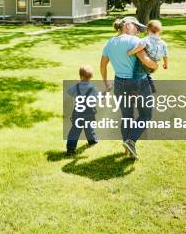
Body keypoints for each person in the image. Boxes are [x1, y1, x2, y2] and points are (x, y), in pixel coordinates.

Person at [100, 17, 158, 159]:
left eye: (139, 29)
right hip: (138, 83)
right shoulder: (135, 42)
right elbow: (146, 61)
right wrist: (155, 65)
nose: (138, 31)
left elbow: (103, 65)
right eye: (136, 27)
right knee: (146, 114)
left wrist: (106, 82)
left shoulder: (110, 43)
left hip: (119, 83)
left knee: (127, 117)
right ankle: (131, 141)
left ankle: (128, 150)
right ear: (127, 26)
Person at [128, 19, 169, 93]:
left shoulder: (145, 40)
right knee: (147, 74)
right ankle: (152, 87)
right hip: (153, 63)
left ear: (147, 30)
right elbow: (165, 55)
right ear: (160, 32)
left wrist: (131, 52)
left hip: (144, 63)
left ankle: (134, 92)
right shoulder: (163, 43)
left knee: (137, 74)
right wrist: (165, 64)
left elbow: (140, 47)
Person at [66, 65, 99, 155]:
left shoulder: (76, 87)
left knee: (75, 130)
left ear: (80, 76)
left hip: (78, 112)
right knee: (89, 128)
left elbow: (69, 92)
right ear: (91, 77)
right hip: (89, 113)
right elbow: (100, 97)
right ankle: (92, 141)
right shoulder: (92, 89)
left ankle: (70, 148)